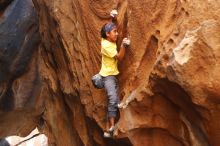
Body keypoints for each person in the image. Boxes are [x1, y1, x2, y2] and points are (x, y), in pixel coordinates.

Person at [99, 10, 130, 138]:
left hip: (112, 75)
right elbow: (119, 57)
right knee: (112, 99)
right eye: (114, 32)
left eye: (117, 31)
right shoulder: (107, 46)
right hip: (108, 77)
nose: (117, 34)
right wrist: (123, 45)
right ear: (108, 35)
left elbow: (107, 29)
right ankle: (111, 127)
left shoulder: (105, 38)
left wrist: (112, 18)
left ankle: (110, 127)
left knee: (114, 99)